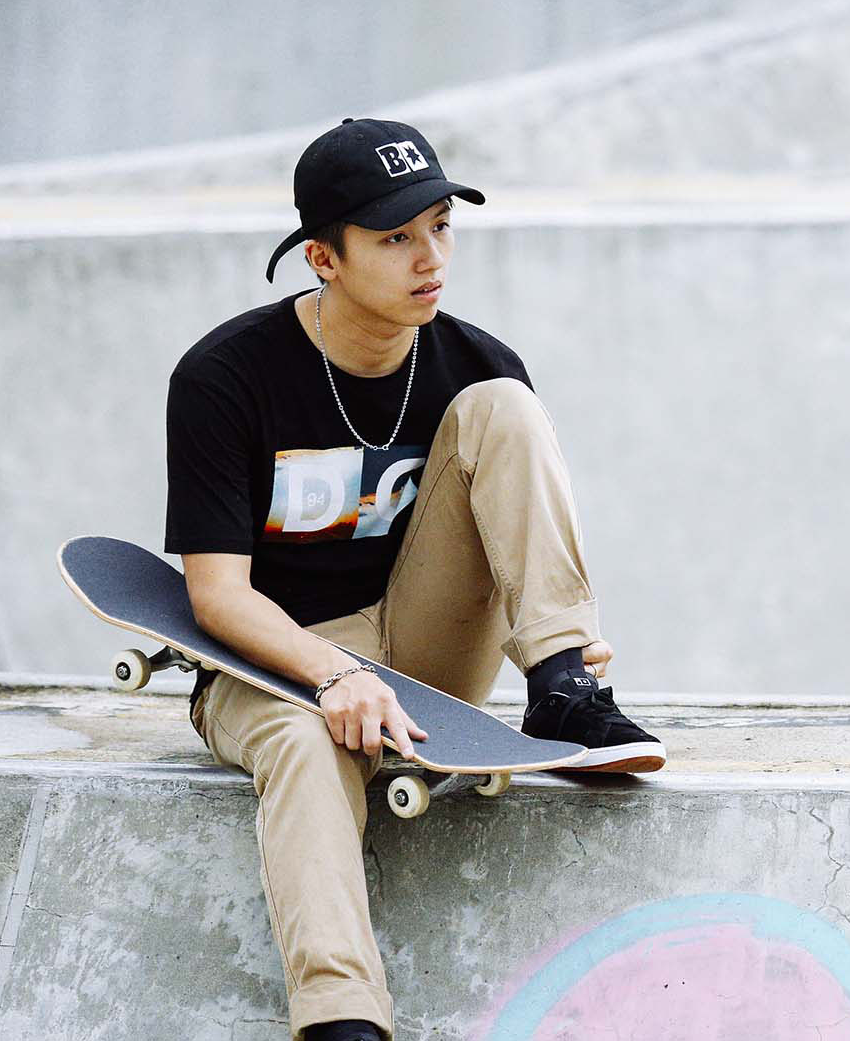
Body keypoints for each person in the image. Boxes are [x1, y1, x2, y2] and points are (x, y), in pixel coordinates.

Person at [166, 118, 664, 1041]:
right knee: (304, 742)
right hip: (271, 664)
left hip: (424, 649)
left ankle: (563, 684)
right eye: (395, 237)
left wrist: (541, 632)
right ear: (324, 258)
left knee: (505, 407)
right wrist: (332, 675)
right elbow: (216, 596)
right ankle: (343, 1019)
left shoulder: (477, 364)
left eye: (440, 226)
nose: (430, 257)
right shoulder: (226, 377)